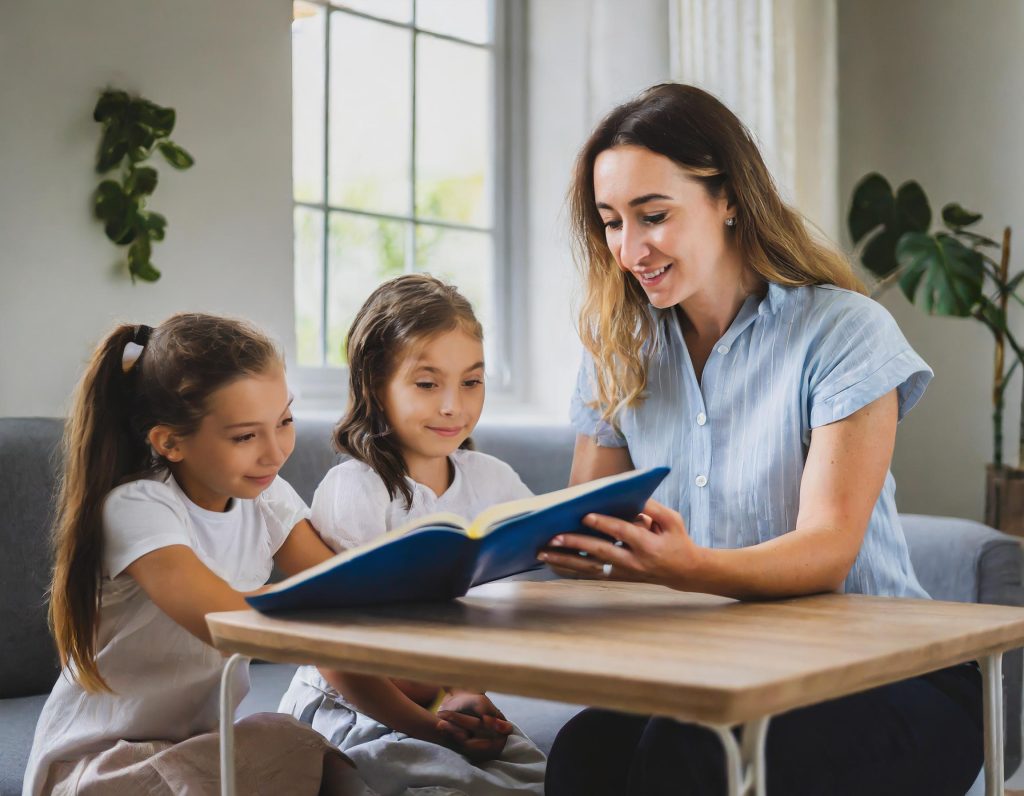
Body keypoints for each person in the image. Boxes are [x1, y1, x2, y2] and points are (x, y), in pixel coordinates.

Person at [539, 83, 983, 796]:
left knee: (688, 756)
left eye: (653, 216)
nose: (629, 249)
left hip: (895, 677)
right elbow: (587, 525)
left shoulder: (843, 332)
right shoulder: (618, 350)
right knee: (584, 755)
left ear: (729, 199)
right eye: (611, 222)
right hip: (727, 672)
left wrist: (685, 565)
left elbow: (829, 551)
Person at [24, 313, 370, 796]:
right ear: (170, 442)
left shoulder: (267, 497)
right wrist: (340, 595)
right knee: (285, 748)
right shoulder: (137, 507)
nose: (275, 453)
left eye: (285, 421)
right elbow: (222, 619)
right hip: (98, 763)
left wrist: (430, 710)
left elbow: (343, 590)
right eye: (246, 436)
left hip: (194, 746)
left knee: (304, 746)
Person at [279, 274, 546, 796]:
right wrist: (433, 722)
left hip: (444, 697)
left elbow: (496, 608)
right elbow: (340, 652)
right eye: (427, 384)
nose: (454, 406)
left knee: (536, 780)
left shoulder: (495, 479)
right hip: (355, 708)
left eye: (471, 382)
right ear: (376, 386)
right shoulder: (355, 489)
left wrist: (465, 692)